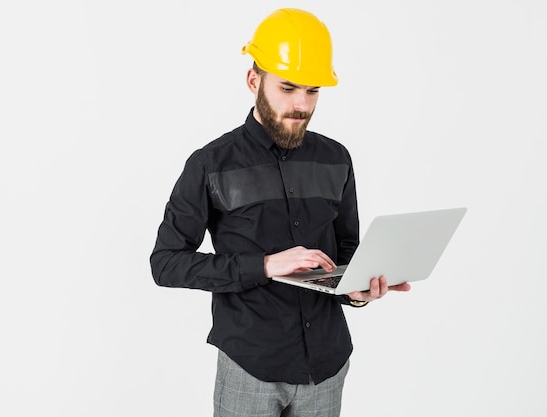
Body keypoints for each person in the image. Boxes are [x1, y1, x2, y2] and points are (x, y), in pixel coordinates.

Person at [150, 8, 411, 417]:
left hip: (327, 366)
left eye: (312, 91)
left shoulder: (335, 158)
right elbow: (165, 264)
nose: (301, 105)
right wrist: (266, 265)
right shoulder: (210, 164)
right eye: (288, 88)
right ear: (254, 80)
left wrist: (356, 290)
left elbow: (346, 250)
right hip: (250, 367)